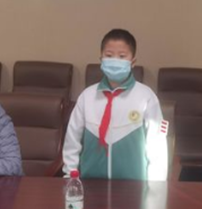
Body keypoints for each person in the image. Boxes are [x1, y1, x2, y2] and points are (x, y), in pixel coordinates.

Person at [63, 29, 168, 181]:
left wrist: (156, 188)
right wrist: (70, 177)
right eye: (109, 55)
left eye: (122, 56)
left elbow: (156, 147)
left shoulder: (146, 97)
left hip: (133, 186)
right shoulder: (87, 96)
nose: (115, 60)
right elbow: (72, 141)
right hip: (91, 184)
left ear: (132, 62)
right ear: (101, 59)